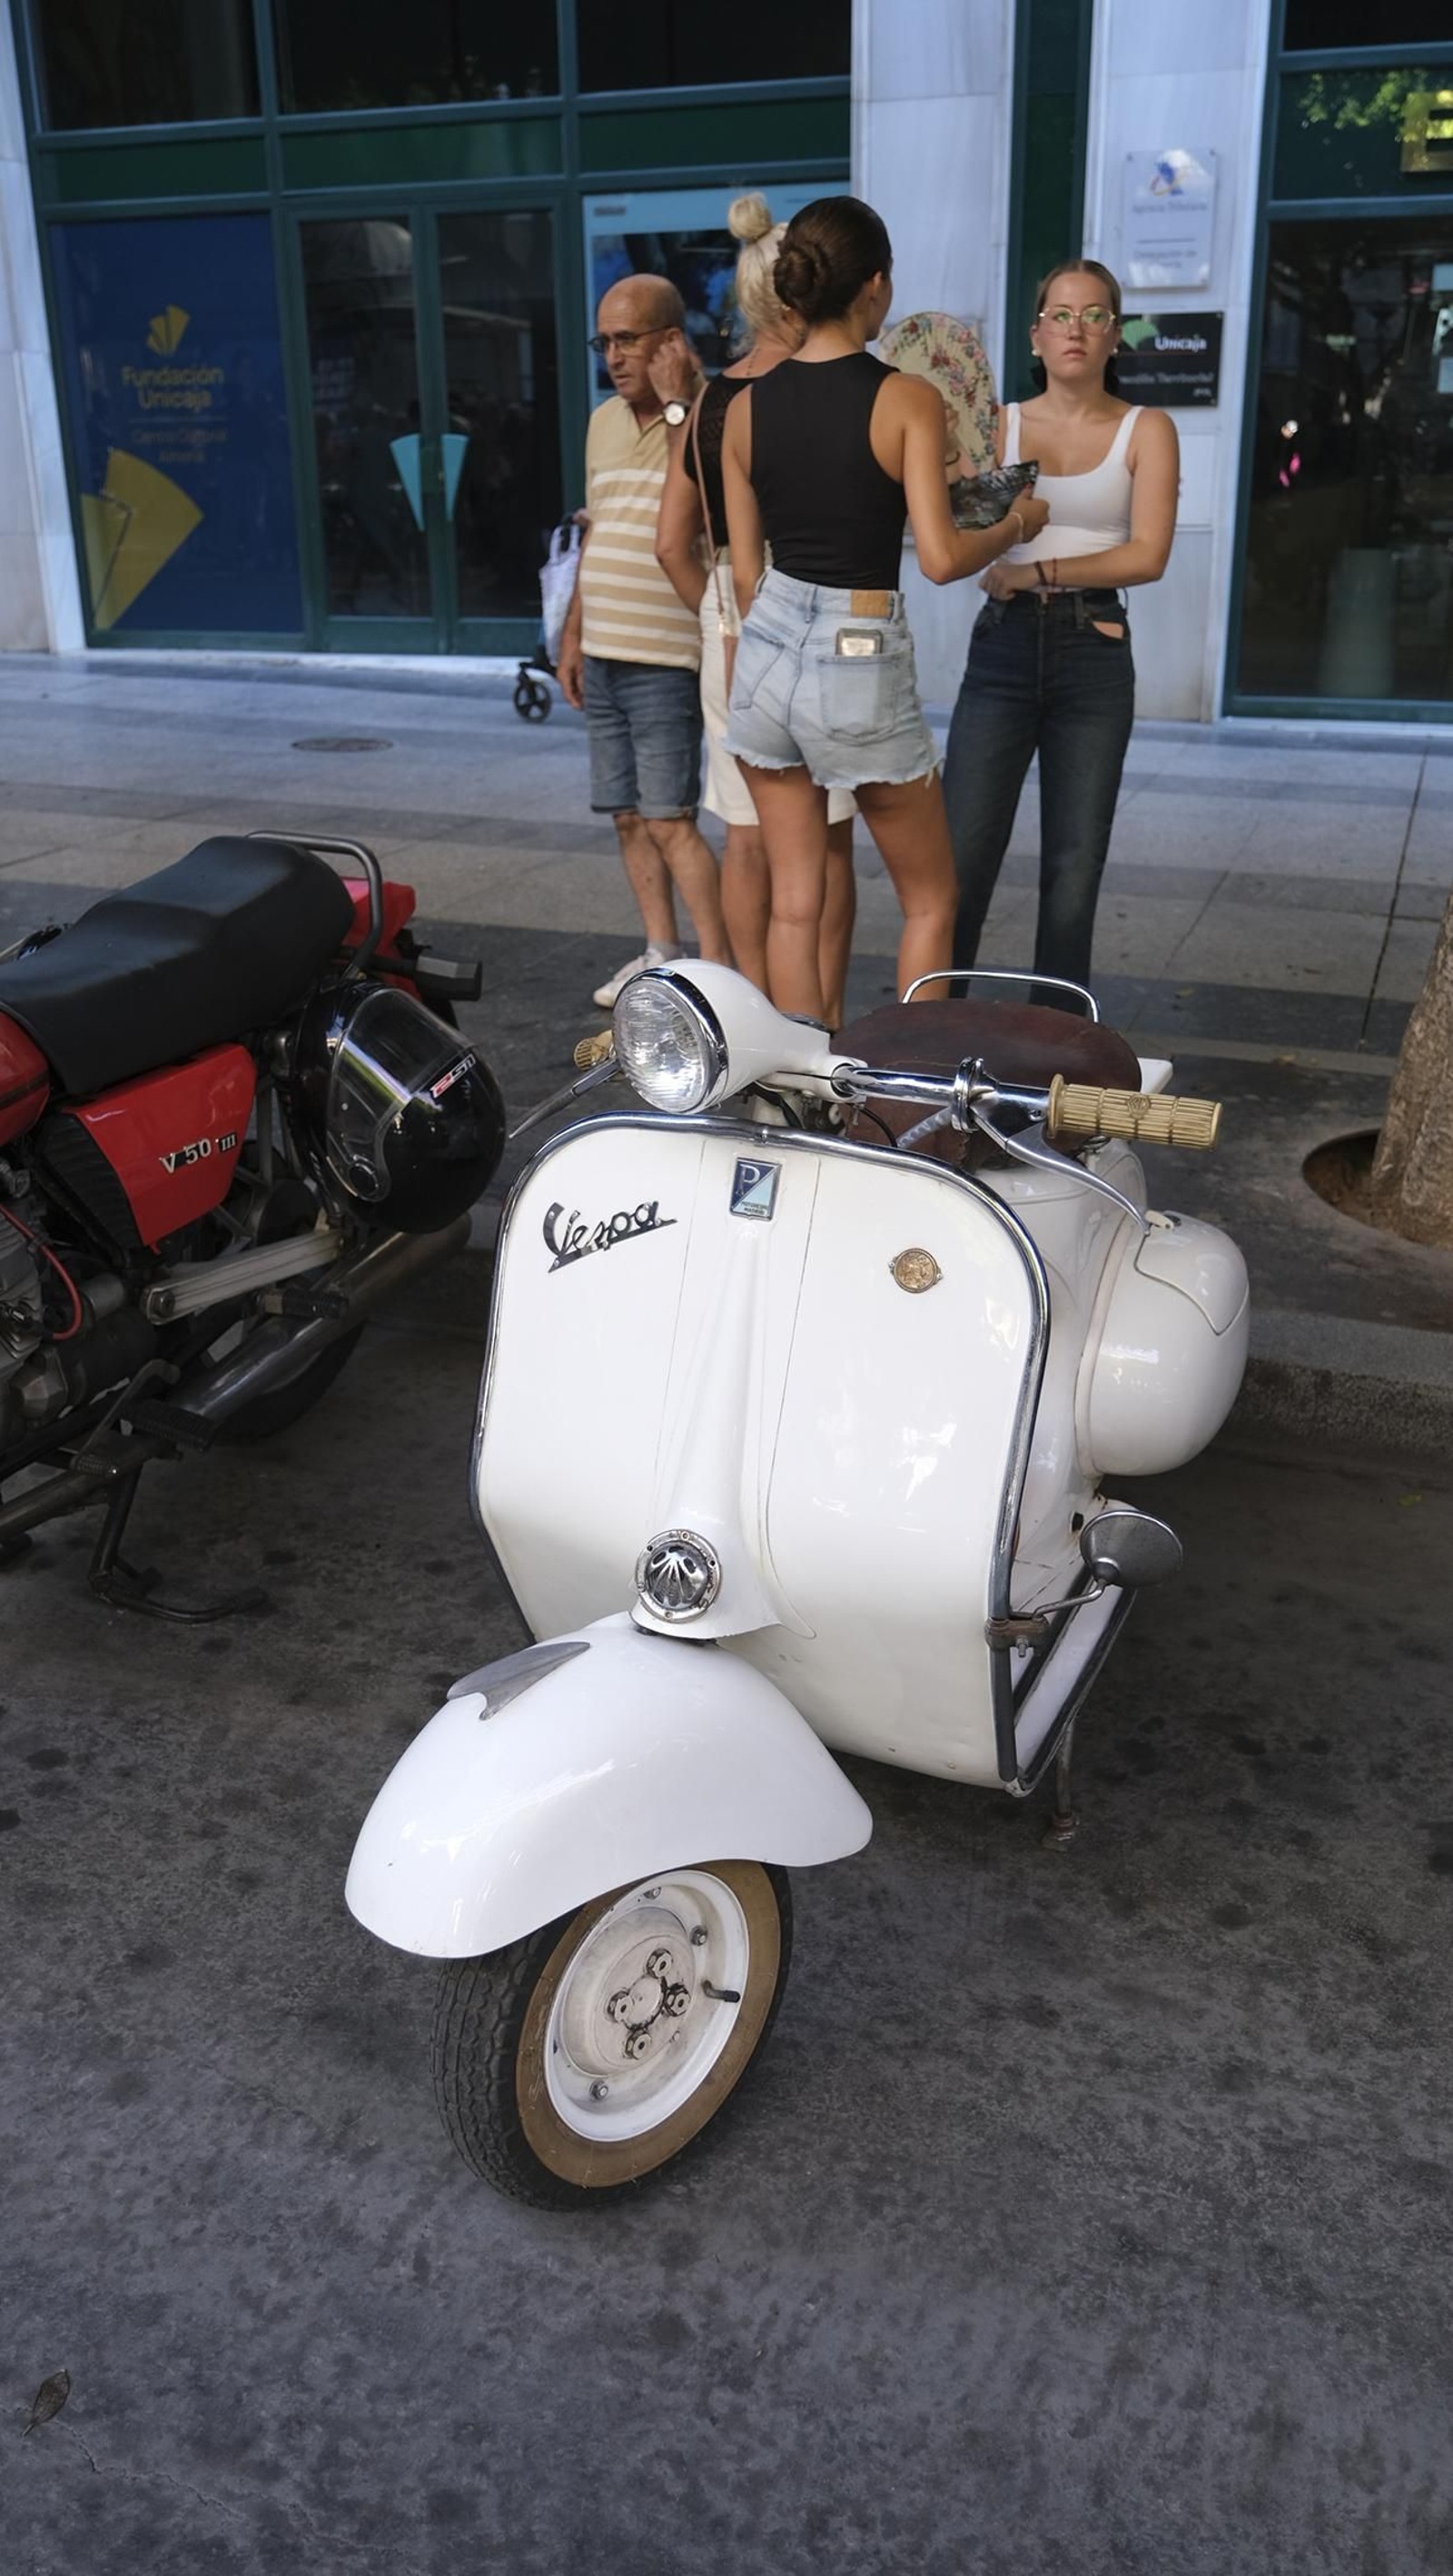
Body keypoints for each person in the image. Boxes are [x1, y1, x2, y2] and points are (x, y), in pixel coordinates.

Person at [720, 195, 1049, 1025]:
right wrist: (1016, 523)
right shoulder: (904, 397)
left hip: (764, 655)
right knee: (931, 899)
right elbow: (940, 558)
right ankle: (908, 1099)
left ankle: (803, 1099)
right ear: (874, 285)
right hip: (857, 650)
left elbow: (747, 576)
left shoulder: (744, 407)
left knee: (795, 903)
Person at [941, 258, 1179, 999]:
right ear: (1036, 335)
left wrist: (1034, 570)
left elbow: (1148, 556)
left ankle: (1056, 1064)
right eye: (1061, 315)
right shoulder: (998, 425)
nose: (1077, 329)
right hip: (1003, 648)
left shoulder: (1149, 429)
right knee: (963, 859)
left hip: (1095, 652)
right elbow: (955, 528)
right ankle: (932, 1042)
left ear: (1115, 336)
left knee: (1074, 871)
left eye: (1095, 314)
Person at [655, 191, 858, 1027]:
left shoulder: (711, 402)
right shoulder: (825, 391)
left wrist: (718, 619)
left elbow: (672, 542)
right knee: (830, 832)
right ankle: (825, 1018)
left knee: (745, 831)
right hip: (814, 605)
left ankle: (748, 1020)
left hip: (730, 618)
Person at [555, 272, 733, 1011]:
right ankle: (661, 949)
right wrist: (571, 633)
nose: (614, 355)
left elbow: (711, 503)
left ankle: (719, 967)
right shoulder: (602, 422)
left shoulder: (708, 415)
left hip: (667, 654)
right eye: (606, 341)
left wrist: (680, 399)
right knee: (627, 814)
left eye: (629, 339)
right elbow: (596, 532)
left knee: (670, 817)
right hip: (604, 649)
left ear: (670, 341)